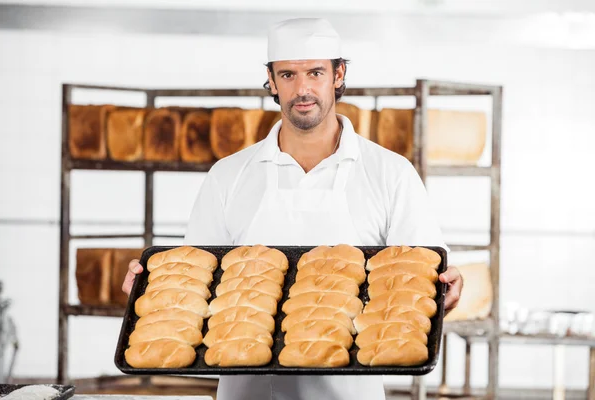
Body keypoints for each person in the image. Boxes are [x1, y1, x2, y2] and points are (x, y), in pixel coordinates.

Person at [122, 17, 463, 400]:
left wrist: (446, 292)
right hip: (245, 390)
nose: (302, 89)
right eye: (287, 75)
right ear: (270, 80)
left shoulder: (390, 173)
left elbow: (417, 280)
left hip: (349, 393)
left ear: (339, 74)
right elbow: (193, 284)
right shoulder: (229, 175)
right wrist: (147, 291)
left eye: (315, 72)